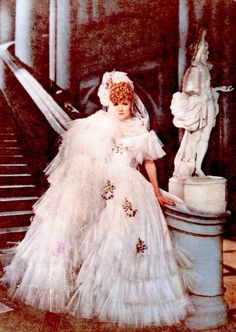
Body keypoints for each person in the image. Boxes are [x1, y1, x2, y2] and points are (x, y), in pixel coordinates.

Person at [1, 71, 192, 327]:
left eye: (125, 103)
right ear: (109, 103)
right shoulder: (100, 126)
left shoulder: (140, 129)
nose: (121, 108)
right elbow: (89, 162)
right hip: (107, 185)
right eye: (117, 103)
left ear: (131, 103)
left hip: (134, 188)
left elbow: (148, 163)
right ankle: (91, 299)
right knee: (101, 239)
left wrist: (157, 192)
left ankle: (133, 300)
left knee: (135, 240)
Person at [171, 29, 233, 178]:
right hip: (198, 105)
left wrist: (220, 89)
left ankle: (199, 167)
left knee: (206, 137)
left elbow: (206, 88)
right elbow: (198, 52)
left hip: (208, 103)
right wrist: (203, 36)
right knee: (196, 137)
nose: (207, 54)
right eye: (205, 51)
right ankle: (190, 165)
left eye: (207, 51)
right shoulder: (196, 65)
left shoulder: (205, 68)